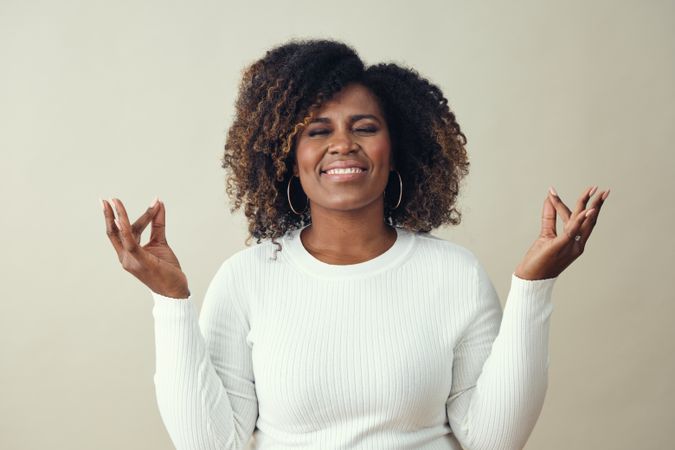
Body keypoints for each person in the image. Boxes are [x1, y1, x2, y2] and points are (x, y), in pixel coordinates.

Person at [101, 38, 609, 450]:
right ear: (286, 157)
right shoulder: (246, 277)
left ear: (398, 148)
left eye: (364, 127)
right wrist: (169, 300)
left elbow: (494, 441)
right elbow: (211, 445)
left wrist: (534, 286)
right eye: (317, 131)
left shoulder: (454, 273)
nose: (343, 144)